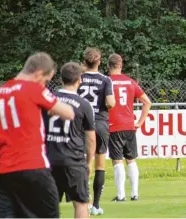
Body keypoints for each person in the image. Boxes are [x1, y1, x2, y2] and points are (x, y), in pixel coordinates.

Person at [0, 52, 75, 218]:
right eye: (46, 80)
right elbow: (69, 113)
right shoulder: (34, 89)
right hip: (34, 168)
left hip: (6, 173)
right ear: (39, 73)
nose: (45, 84)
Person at [44, 62, 97, 218]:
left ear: (61, 80)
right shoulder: (84, 105)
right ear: (80, 80)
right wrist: (89, 162)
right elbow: (91, 139)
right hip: (74, 160)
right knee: (81, 203)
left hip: (49, 160)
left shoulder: (47, 100)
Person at [106, 53, 152, 202]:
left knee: (117, 160)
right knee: (131, 159)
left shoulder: (106, 82)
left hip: (113, 125)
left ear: (108, 66)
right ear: (121, 65)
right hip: (129, 125)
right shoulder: (130, 82)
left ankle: (121, 196)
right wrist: (140, 122)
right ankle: (135, 194)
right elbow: (147, 102)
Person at [77, 47, 116, 215]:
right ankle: (96, 205)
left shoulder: (78, 78)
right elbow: (110, 103)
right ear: (99, 62)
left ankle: (84, 202)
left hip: (80, 124)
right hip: (99, 123)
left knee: (83, 164)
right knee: (100, 164)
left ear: (85, 61)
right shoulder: (105, 80)